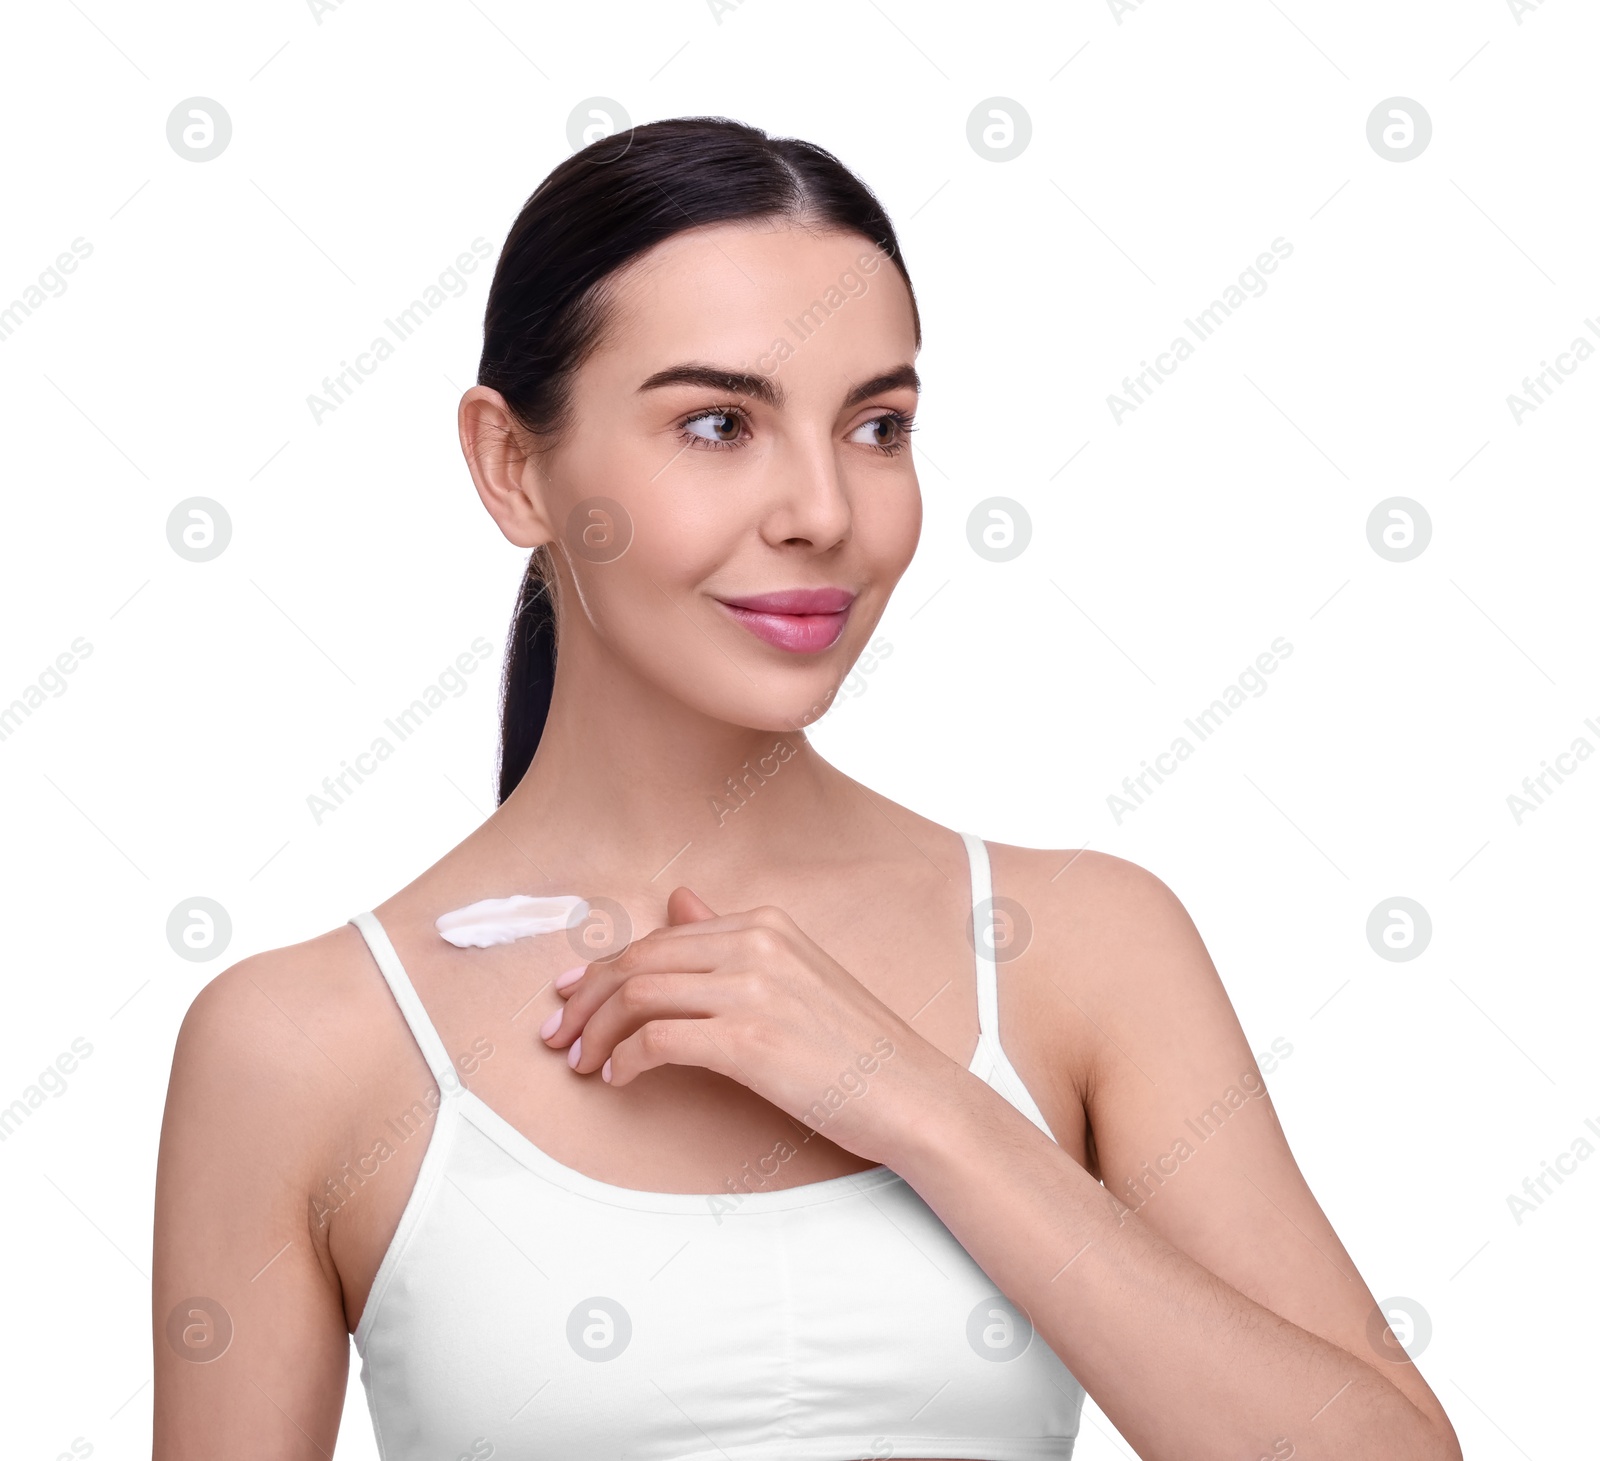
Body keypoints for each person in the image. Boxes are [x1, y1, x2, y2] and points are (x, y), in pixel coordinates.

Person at [153, 116, 1462, 1461]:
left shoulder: (1085, 946)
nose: (823, 510)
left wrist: (917, 1099)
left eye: (877, 425)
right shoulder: (299, 1043)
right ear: (513, 464)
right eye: (718, 423)